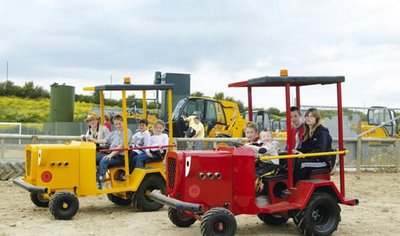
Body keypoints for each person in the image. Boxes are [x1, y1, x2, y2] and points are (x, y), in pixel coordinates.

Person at [89, 114, 132, 189]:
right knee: (93, 157)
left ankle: (99, 182)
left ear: (124, 122)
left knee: (104, 160)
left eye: (119, 123)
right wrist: (93, 140)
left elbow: (121, 146)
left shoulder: (127, 132)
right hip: (112, 154)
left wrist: (110, 155)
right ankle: (91, 178)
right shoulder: (114, 132)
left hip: (120, 157)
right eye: (116, 124)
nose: (118, 126)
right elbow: (105, 140)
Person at [293, 108, 333, 182]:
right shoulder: (307, 132)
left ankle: (296, 187)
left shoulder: (322, 132)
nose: (308, 118)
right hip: (311, 158)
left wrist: (305, 155)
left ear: (316, 119)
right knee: (291, 160)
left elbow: (321, 151)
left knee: (301, 164)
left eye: (311, 116)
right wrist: (296, 151)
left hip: (322, 161)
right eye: (307, 116)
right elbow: (303, 147)